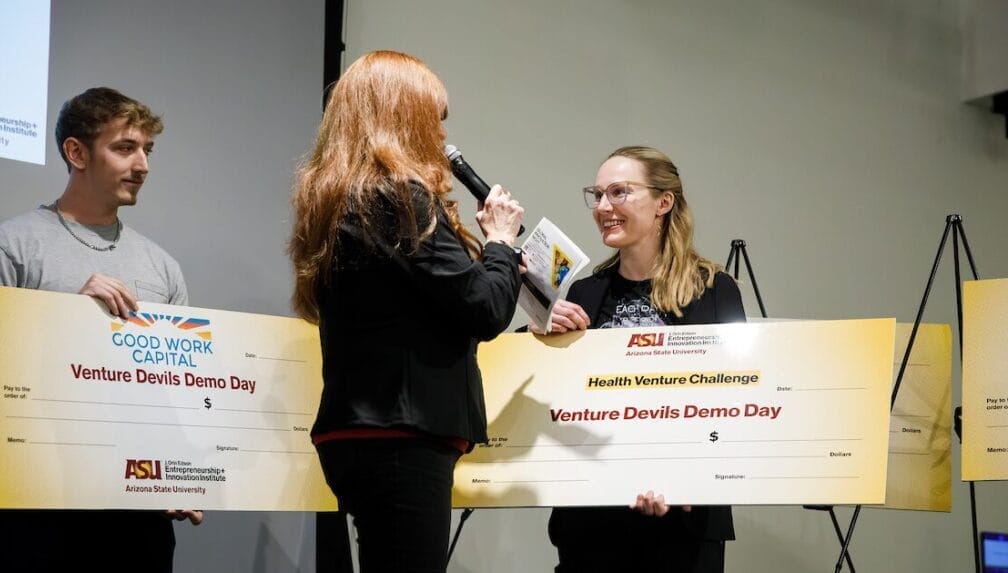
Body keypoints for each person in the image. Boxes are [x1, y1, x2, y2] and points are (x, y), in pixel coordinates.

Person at [288, 50, 525, 573]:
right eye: (434, 122)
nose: (442, 138)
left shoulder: (340, 198)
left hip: (365, 431)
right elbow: (483, 308)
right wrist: (501, 244)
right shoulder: (395, 198)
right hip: (399, 434)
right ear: (403, 118)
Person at [0, 86, 202, 572]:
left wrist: (181, 478)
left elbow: (173, 388)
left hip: (135, 514)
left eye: (147, 150)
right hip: (38, 506)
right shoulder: (9, 248)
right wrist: (68, 320)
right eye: (125, 148)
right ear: (76, 152)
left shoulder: (162, 268)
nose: (142, 164)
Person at [535, 145, 745, 572]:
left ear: (663, 203)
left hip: (683, 523)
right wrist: (539, 330)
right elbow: (558, 400)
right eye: (597, 195)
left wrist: (687, 476)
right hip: (593, 522)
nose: (602, 206)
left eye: (618, 193)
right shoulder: (584, 294)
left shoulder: (715, 290)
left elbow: (738, 399)